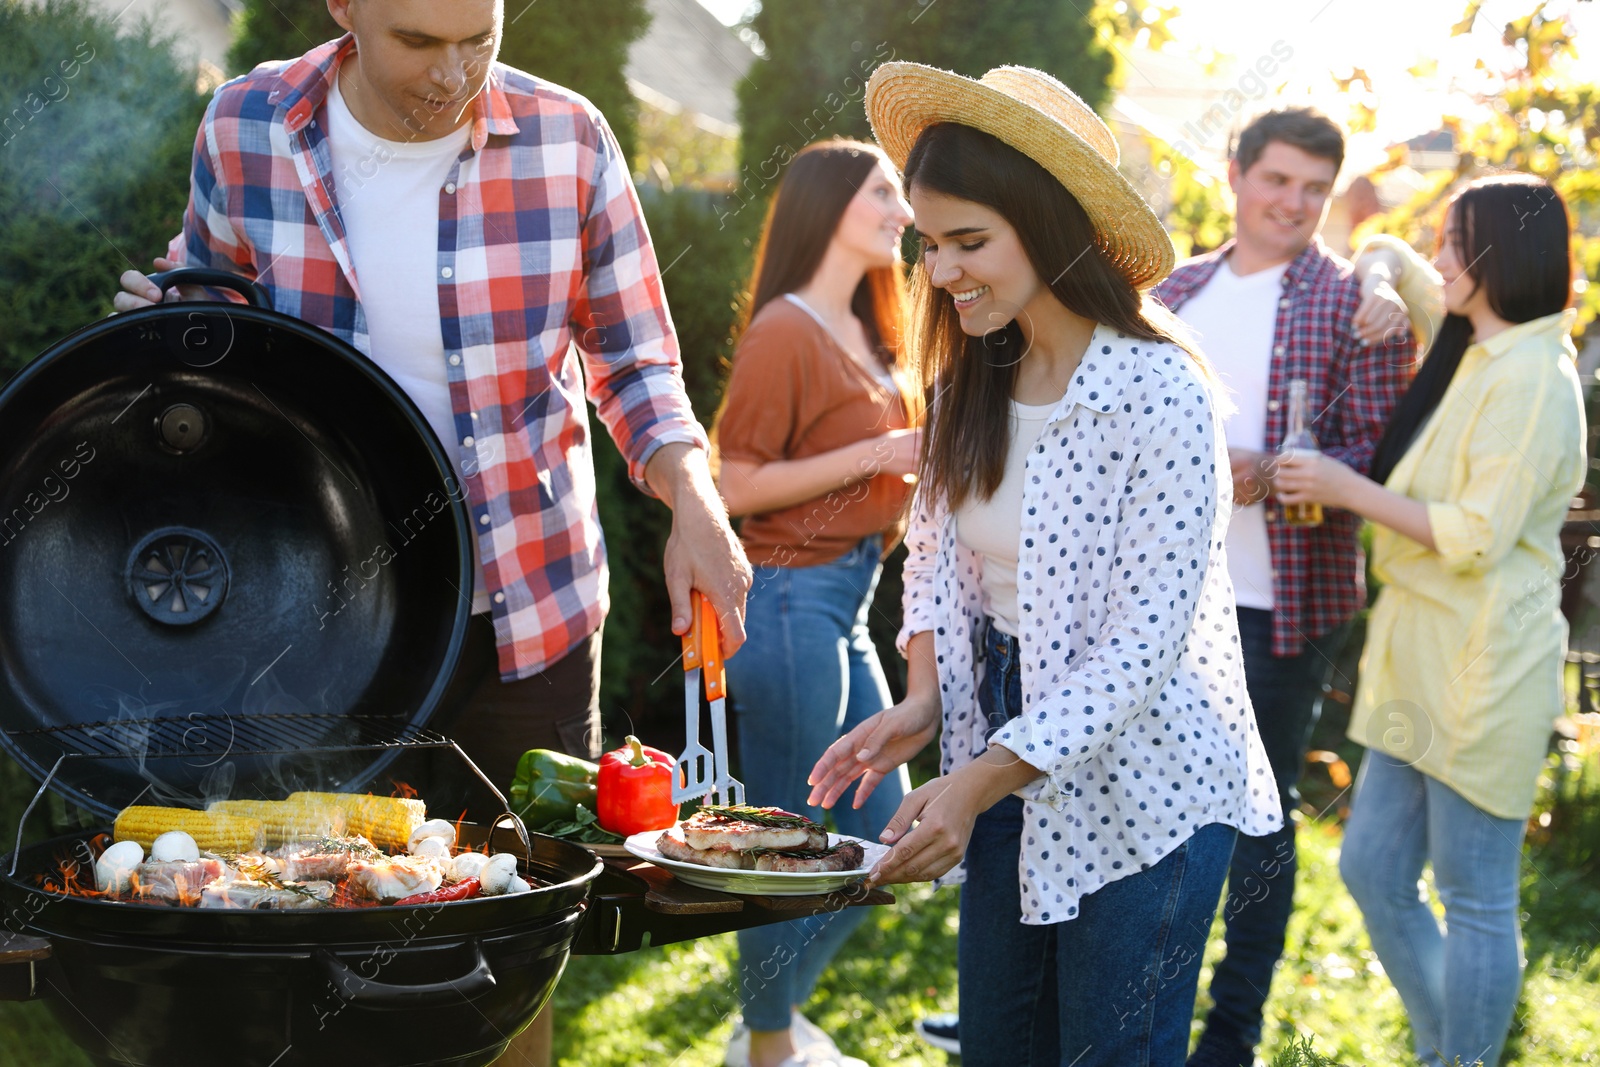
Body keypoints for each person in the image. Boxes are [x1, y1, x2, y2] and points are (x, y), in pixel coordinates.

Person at [112, 3, 751, 1063]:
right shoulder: (247, 127)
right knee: (317, 939)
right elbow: (216, 327)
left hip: (527, 610)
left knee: (518, 931)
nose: (455, 72)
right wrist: (166, 328)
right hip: (325, 629)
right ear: (346, 8)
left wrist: (694, 496)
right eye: (418, 40)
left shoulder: (569, 139)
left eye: (481, 37)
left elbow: (635, 363)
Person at [807, 63, 1283, 1067]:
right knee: (1000, 1046)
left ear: (1050, 223)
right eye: (929, 243)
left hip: (1148, 770)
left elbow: (1145, 639)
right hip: (1003, 733)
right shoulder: (966, 378)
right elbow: (935, 550)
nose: (940, 271)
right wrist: (926, 697)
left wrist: (977, 778)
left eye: (969, 241)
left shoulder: (1160, 392)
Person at [1276, 174, 1584, 1067]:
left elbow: (1476, 535)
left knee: (1475, 895)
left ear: (1501, 256)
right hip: (1416, 657)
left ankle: (1462, 1058)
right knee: (1371, 868)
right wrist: (1378, 280)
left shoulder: (1533, 375)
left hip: (1486, 668)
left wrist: (1345, 489)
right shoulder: (1470, 334)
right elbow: (1389, 256)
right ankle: (1451, 1041)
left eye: (1458, 243)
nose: (1440, 258)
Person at [1151, 107, 1417, 1067]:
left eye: (1313, 188)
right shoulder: (1173, 291)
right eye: (1277, 182)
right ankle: (1145, 1024)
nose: (1293, 205)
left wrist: (1249, 470)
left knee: (1256, 827)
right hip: (1165, 606)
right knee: (1161, 823)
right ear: (1235, 173)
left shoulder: (1357, 304)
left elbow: (1378, 460)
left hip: (1286, 608)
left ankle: (1229, 1040)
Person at [711, 138, 920, 1067]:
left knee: (892, 836)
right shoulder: (786, 330)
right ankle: (767, 1046)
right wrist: (879, 455)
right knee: (788, 849)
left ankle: (770, 1020)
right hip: (789, 601)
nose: (902, 211)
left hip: (847, 605)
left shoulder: (872, 333)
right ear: (830, 204)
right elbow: (735, 485)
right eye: (883, 192)